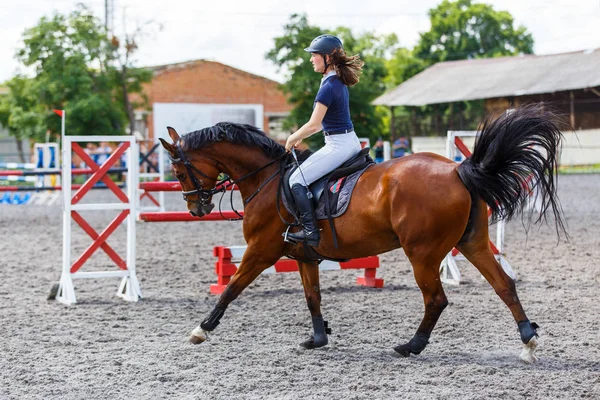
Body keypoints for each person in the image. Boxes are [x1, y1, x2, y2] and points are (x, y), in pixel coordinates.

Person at [284, 34, 364, 247]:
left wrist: (292, 138)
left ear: (328, 57)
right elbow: (319, 125)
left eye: (314, 55)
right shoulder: (336, 81)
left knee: (296, 180)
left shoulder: (329, 86)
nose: (311, 59)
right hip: (348, 142)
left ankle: (311, 231)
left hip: (338, 146)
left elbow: (314, 124)